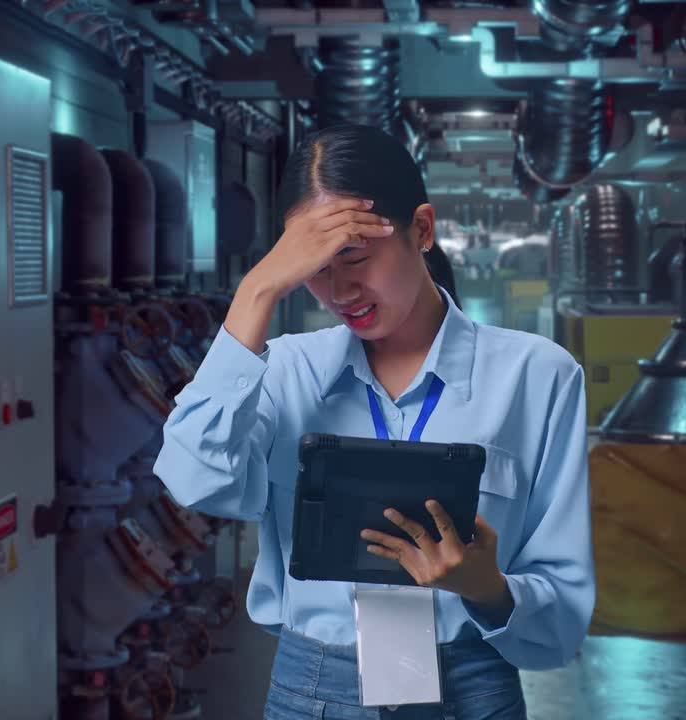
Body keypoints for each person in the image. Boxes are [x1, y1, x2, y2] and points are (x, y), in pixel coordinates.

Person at [153, 123, 594, 720]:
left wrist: (485, 585)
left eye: (355, 258)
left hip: (472, 686)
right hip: (314, 691)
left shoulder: (538, 377)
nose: (338, 290)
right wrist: (256, 291)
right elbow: (192, 477)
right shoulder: (284, 372)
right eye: (312, 269)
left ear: (422, 229)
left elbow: (562, 620)